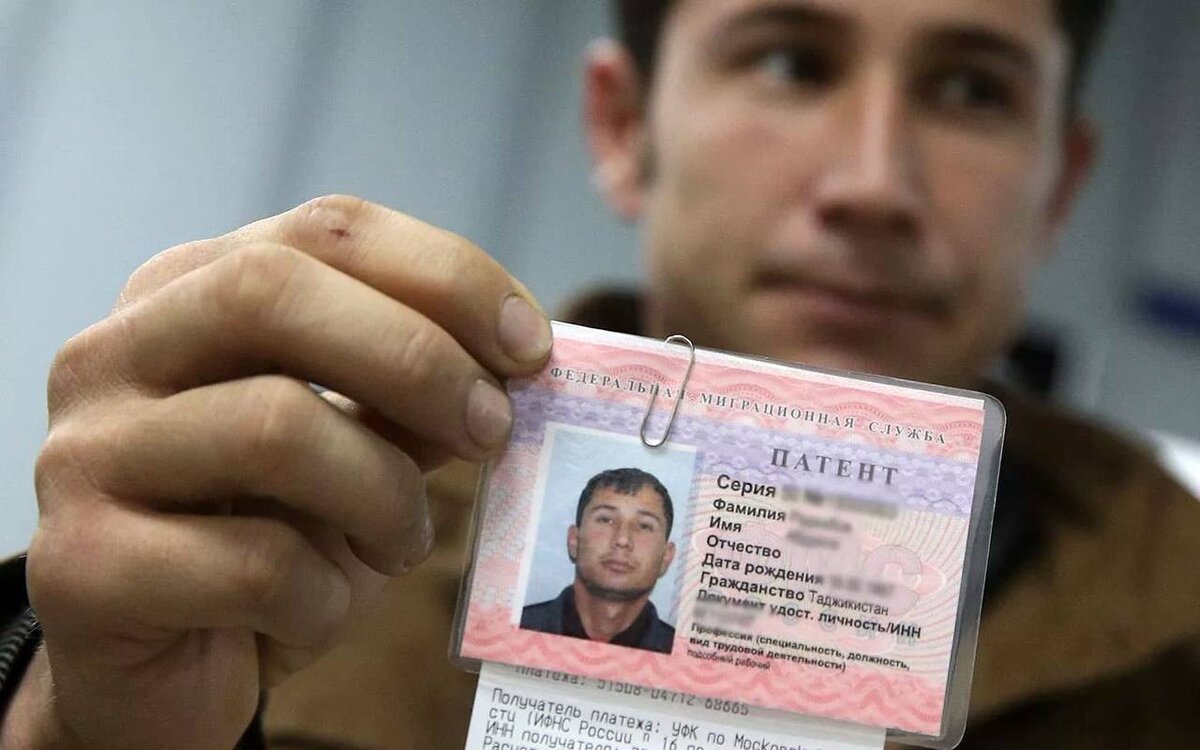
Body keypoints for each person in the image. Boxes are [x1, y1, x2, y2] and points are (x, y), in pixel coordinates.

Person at [1, 0, 1197, 747]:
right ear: (624, 128)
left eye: (972, 88)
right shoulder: (305, 558)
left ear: (1061, 185)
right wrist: (72, 726)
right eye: (791, 61)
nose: (874, 183)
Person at [520, 468, 677, 654]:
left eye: (644, 526)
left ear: (666, 556)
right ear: (574, 541)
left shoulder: (685, 657)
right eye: (606, 520)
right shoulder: (514, 626)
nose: (622, 540)